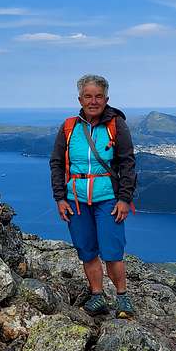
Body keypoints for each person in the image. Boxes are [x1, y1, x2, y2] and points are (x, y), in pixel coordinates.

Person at [49, 74, 137, 318]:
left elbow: (128, 163)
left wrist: (124, 198)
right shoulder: (69, 127)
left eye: (98, 96)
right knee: (86, 250)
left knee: (112, 251)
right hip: (76, 199)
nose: (94, 101)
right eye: (88, 96)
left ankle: (122, 298)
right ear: (80, 99)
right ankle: (97, 296)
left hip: (108, 198)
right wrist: (60, 197)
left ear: (106, 99)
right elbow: (56, 163)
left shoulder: (116, 125)